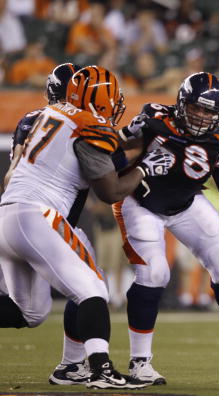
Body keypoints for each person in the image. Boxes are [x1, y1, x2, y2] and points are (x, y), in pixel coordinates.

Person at [0, 65, 173, 389]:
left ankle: (71, 368)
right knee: (93, 288)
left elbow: (88, 153)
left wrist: (127, 144)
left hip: (8, 215)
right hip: (38, 216)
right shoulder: (88, 124)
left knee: (32, 312)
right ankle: (100, 368)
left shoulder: (46, 115)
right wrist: (146, 168)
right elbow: (109, 191)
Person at [114, 72, 219, 385]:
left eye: (209, 111)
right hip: (142, 202)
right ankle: (140, 363)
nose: (202, 116)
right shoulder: (154, 120)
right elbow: (114, 152)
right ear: (181, 103)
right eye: (196, 108)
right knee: (154, 274)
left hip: (186, 201)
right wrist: (129, 149)